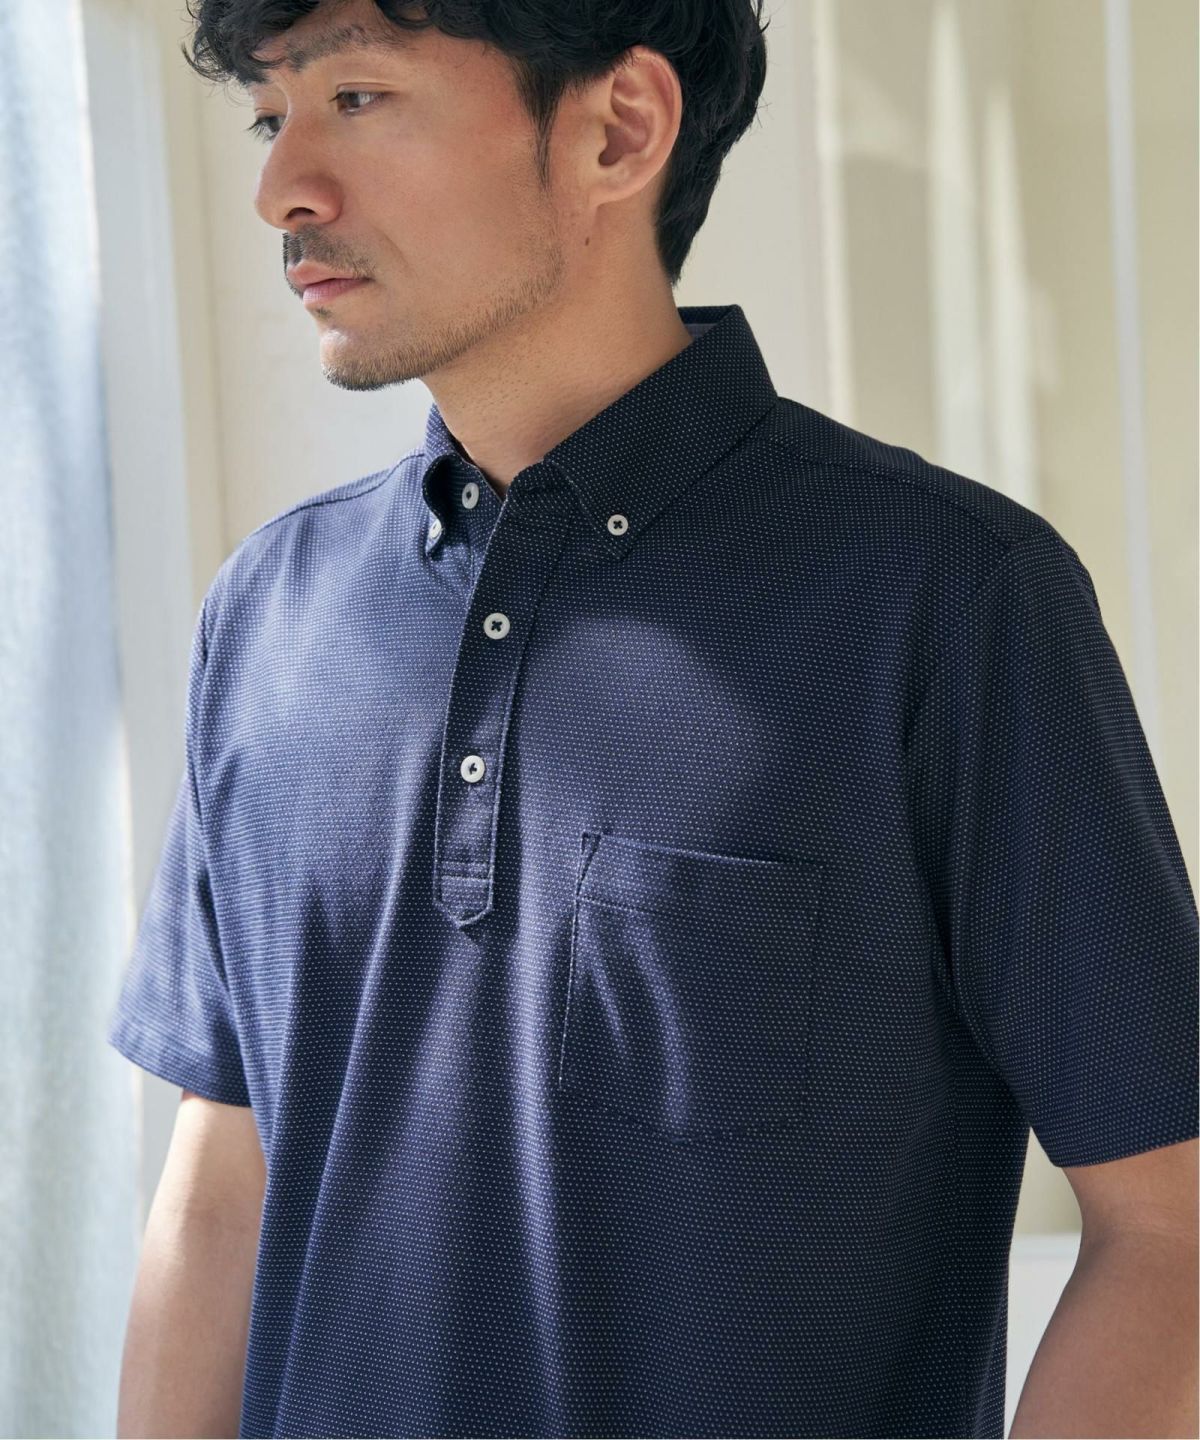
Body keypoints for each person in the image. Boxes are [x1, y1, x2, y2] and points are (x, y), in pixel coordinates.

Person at [107, 1, 1200, 1437]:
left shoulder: (943, 595)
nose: (281, 190)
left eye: (358, 98)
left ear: (619, 128)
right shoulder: (269, 615)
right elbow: (223, 1192)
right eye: (271, 115)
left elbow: (1171, 1226)